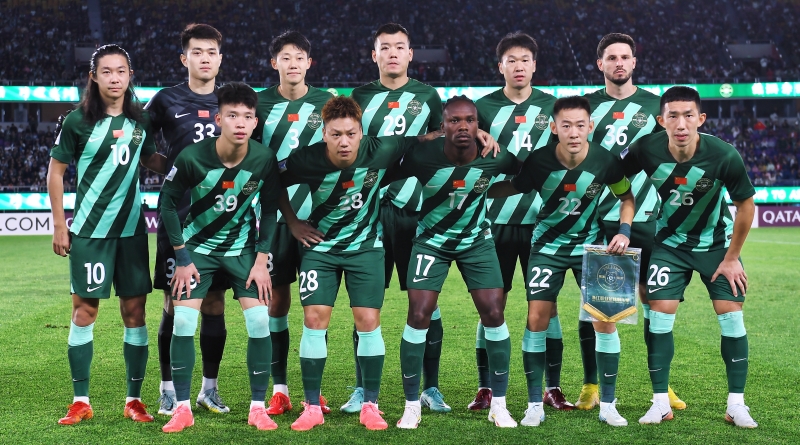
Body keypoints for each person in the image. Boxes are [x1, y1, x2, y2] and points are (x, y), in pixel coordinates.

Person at [488, 95, 635, 427]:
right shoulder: (539, 161)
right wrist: (477, 188)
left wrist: (624, 231)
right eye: (566, 125)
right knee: (536, 318)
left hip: (594, 248)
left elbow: (626, 197)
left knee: (606, 322)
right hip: (547, 247)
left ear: (590, 127)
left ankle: (609, 405)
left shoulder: (606, 161)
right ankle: (533, 405)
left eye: (580, 125)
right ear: (554, 128)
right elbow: (512, 187)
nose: (573, 132)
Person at [623, 86, 758, 428]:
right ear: (661, 120)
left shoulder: (723, 154)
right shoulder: (645, 149)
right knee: (660, 313)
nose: (680, 123)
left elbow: (746, 206)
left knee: (731, 316)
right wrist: (623, 222)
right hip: (669, 245)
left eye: (688, 115)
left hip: (717, 247)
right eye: (672, 116)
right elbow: (616, 178)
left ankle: (736, 405)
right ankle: (659, 404)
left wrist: (732, 258)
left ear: (701, 119)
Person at [48, 44, 165, 425]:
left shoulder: (140, 121)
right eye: (107, 72)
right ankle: (80, 399)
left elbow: (149, 159)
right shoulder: (77, 121)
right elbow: (56, 172)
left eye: (121, 71)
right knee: (85, 311)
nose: (115, 78)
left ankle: (134, 399)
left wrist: (193, 167)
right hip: (89, 233)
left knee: (135, 312)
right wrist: (60, 224)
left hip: (131, 231)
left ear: (130, 77)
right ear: (93, 77)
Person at [159, 82, 282, 433]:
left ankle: (258, 407)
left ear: (255, 122)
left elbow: (270, 210)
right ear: (218, 119)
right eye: (232, 115)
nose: (240, 122)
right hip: (197, 251)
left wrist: (261, 260)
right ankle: (183, 407)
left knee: (260, 323)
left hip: (243, 252)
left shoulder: (263, 159)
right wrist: (182, 256)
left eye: (247, 116)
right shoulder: (192, 157)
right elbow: (167, 203)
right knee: (183, 322)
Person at [395, 96, 518, 429]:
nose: (462, 126)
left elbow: (523, 174)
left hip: (476, 242)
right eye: (454, 121)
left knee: (494, 312)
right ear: (442, 126)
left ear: (479, 125)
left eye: (469, 120)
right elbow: (386, 167)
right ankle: (411, 406)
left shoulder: (494, 156)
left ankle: (500, 405)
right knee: (418, 313)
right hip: (430, 242)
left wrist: (493, 192)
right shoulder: (421, 158)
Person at [580, 32, 686, 411]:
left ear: (635, 62)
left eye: (625, 56)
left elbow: (675, 154)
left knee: (654, 303)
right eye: (611, 57)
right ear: (600, 64)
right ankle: (593, 384)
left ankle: (664, 386)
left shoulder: (656, 107)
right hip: (598, 218)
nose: (619, 63)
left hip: (646, 218)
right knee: (598, 306)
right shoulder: (586, 107)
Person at [348, 22, 448, 414]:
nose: (392, 53)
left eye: (400, 47)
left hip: (416, 213)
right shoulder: (359, 97)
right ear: (374, 55)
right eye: (384, 47)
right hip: (368, 212)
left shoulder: (428, 96)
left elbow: (441, 145)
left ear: (410, 54)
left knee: (427, 301)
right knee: (364, 304)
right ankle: (361, 388)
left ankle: (432, 387)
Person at [469, 31, 561, 412]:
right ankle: (486, 387)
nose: (519, 65)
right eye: (512, 60)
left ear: (534, 65)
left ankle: (552, 388)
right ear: (500, 66)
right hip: (496, 221)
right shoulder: (483, 107)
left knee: (546, 305)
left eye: (525, 59)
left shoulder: (553, 107)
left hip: (544, 222)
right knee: (493, 303)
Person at [146, 23, 231, 416]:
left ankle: (209, 389)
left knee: (214, 303)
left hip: (221, 219)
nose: (205, 58)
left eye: (211, 52)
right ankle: (167, 388)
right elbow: (138, 136)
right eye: (197, 52)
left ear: (219, 57)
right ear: (185, 58)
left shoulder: (230, 100)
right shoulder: (166, 100)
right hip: (178, 218)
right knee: (174, 302)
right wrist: (161, 165)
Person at [251, 30, 334, 416]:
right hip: (276, 220)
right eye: (286, 57)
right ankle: (280, 389)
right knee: (278, 303)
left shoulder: (328, 102)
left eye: (300, 57)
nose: (294, 64)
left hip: (320, 220)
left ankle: (313, 391)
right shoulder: (259, 104)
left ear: (309, 63)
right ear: (275, 64)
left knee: (317, 306)